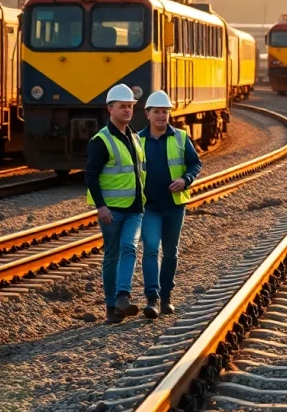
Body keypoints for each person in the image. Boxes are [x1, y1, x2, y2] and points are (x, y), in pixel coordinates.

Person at [86, 84, 147, 324]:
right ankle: (112, 308)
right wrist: (101, 206)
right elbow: (90, 175)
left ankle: (123, 295)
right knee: (112, 256)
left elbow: (140, 173)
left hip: (135, 209)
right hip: (111, 211)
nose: (127, 110)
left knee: (129, 248)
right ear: (110, 109)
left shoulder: (134, 136)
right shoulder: (101, 140)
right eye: (122, 106)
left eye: (130, 106)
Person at [138, 90, 202, 319]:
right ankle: (152, 299)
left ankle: (166, 298)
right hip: (149, 207)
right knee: (151, 248)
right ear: (147, 114)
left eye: (165, 112)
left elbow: (195, 164)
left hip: (175, 206)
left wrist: (185, 180)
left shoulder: (181, 137)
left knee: (171, 253)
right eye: (157, 112)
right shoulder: (138, 140)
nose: (161, 116)